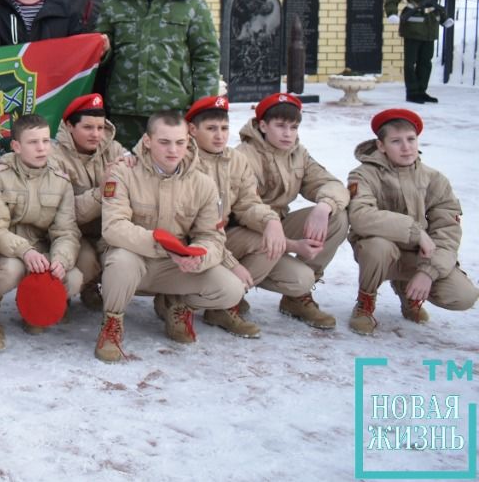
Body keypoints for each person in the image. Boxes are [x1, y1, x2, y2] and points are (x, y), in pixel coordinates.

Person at [95, 111, 242, 363]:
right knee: (122, 262)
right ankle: (112, 323)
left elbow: (212, 237)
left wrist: (198, 257)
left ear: (188, 141)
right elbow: (113, 227)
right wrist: (164, 245)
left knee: (231, 289)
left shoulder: (203, 184)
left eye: (180, 142)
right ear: (148, 141)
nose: (173, 150)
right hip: (133, 258)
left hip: (173, 265)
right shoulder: (124, 172)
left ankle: (180, 309)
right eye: (164, 142)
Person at [346, 109, 477, 335]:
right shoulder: (364, 175)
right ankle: (364, 303)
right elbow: (360, 216)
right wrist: (416, 232)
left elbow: (448, 232)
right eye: (396, 141)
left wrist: (428, 272)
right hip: (382, 255)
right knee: (378, 246)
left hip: (421, 257)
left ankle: (408, 292)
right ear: (381, 145)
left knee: (463, 296)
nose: (406, 147)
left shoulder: (435, 180)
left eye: (411, 139)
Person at [95, 0, 219, 149]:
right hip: (125, 112)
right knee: (127, 173)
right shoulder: (114, 5)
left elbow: (206, 57)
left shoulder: (191, 5)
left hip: (172, 110)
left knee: (169, 173)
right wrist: (103, 51)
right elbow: (101, 56)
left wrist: (203, 108)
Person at [235, 92, 350, 330]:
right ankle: (230, 297)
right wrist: (292, 244)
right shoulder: (242, 156)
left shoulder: (298, 153)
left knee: (336, 216)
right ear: (263, 126)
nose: (288, 133)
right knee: (297, 276)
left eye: (294, 127)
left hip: (279, 224)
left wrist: (324, 205)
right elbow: (242, 210)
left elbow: (332, 185)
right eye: (280, 126)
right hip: (246, 232)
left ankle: (298, 298)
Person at [184, 95, 285, 339]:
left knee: (269, 243)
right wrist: (232, 264)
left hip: (222, 236)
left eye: (224, 128)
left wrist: (270, 221)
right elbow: (196, 227)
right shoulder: (184, 160)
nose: (219, 135)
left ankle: (225, 304)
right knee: (214, 259)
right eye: (211, 129)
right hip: (190, 241)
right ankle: (177, 301)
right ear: (192, 130)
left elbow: (248, 203)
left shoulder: (236, 160)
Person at [0, 113, 82, 336]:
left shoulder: (60, 180)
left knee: (74, 278)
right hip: (9, 251)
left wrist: (60, 259)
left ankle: (35, 307)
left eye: (46, 141)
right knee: (9, 272)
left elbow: (66, 231)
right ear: (16, 146)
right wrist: (24, 251)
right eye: (33, 142)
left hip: (44, 251)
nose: (41, 148)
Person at [49, 93, 130, 312]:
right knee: (86, 261)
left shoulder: (113, 149)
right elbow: (65, 212)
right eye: (88, 128)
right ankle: (59, 292)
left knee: (125, 254)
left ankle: (90, 286)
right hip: (71, 232)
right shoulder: (53, 158)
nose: (96, 135)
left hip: (106, 228)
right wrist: (102, 191)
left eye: (100, 127)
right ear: (69, 126)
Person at [385, 0, 450, 103]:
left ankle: (422, 90)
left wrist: (444, 18)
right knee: (410, 62)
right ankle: (412, 92)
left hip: (430, 26)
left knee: (425, 62)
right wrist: (392, 13)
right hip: (413, 26)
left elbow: (435, 3)